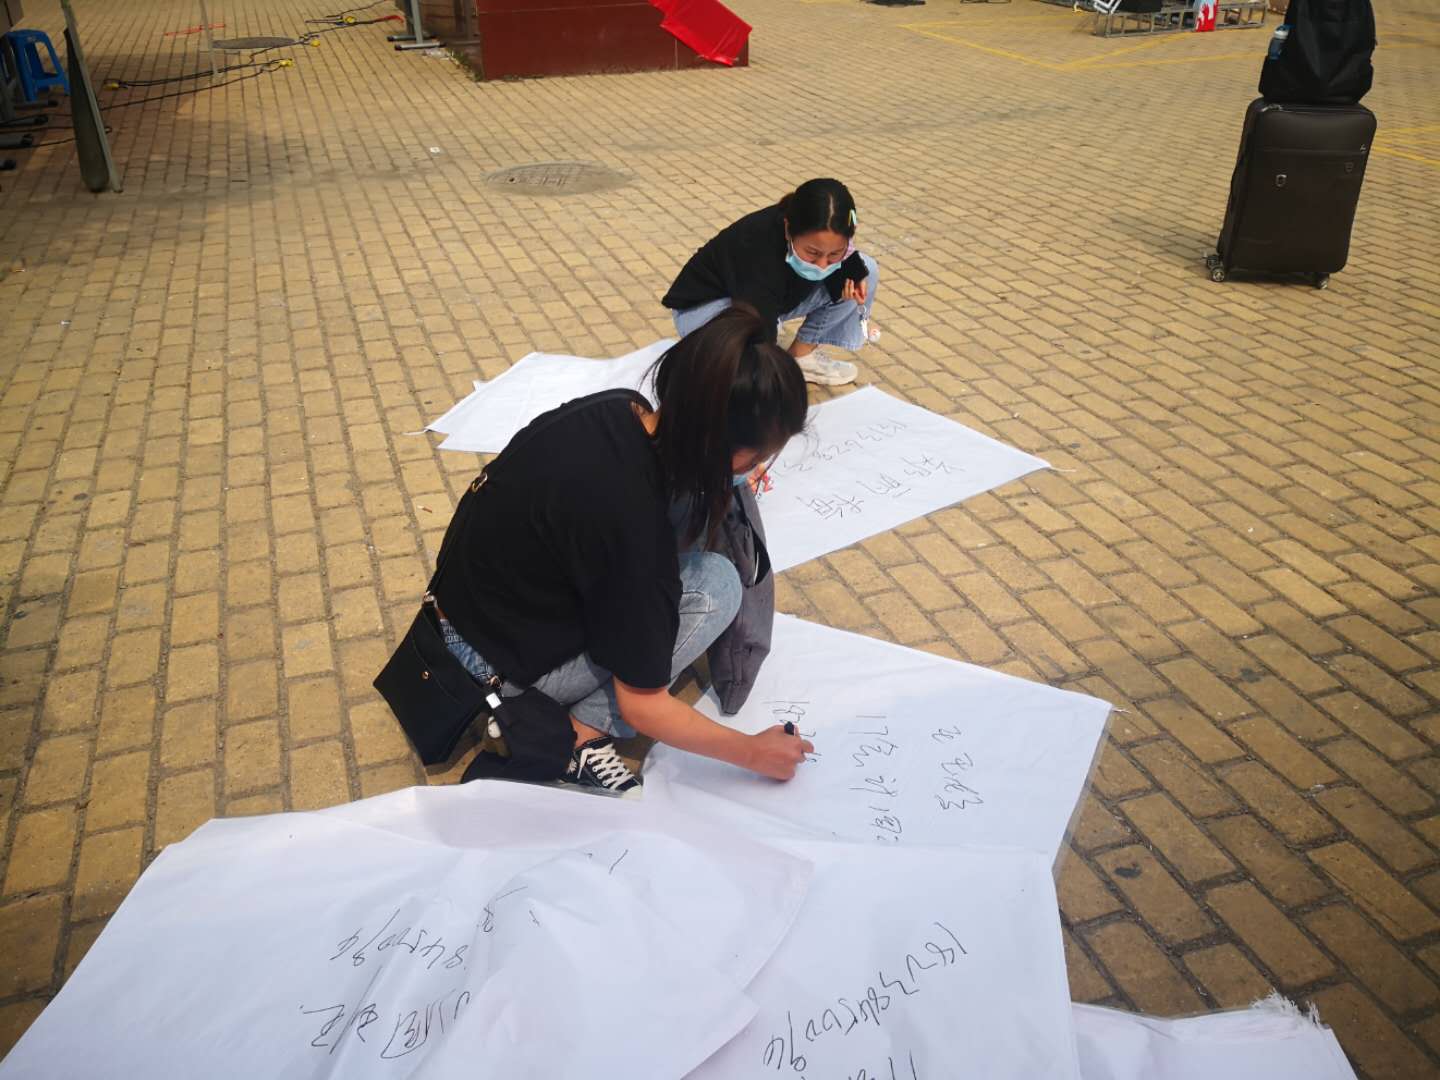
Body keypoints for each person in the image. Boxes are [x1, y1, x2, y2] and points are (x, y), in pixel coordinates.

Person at [432, 307, 815, 794]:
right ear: (713, 443)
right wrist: (752, 752)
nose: (756, 470)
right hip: (487, 669)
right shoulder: (633, 529)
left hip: (456, 614)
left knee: (689, 516)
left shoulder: (620, 409)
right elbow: (643, 705)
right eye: (755, 458)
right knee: (717, 585)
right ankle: (579, 737)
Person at [663, 178, 879, 388]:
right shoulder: (757, 247)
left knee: (866, 270)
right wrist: (768, 379)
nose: (822, 265)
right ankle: (717, 356)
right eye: (813, 253)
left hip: (760, 300)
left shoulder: (823, 238)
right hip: (704, 310)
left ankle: (802, 357)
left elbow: (845, 258)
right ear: (788, 229)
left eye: (834, 254)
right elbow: (758, 324)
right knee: (742, 374)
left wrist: (854, 277)